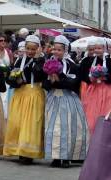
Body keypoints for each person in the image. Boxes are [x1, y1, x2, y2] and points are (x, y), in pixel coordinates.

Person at [43, 35, 89, 168]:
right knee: (53, 129)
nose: (56, 52)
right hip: (53, 99)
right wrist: (50, 82)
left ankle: (67, 157)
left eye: (59, 50)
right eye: (55, 49)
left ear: (65, 51)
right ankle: (56, 157)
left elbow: (74, 84)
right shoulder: (48, 64)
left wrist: (60, 77)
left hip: (68, 100)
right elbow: (45, 85)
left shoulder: (72, 65)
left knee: (68, 128)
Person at [3, 35, 46, 164]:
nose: (30, 51)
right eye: (28, 48)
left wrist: (37, 59)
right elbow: (10, 78)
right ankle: (17, 149)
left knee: (31, 123)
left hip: (34, 93)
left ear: (38, 49)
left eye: (33, 49)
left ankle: (28, 153)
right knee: (17, 122)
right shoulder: (18, 60)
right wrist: (16, 80)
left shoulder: (42, 61)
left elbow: (40, 74)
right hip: (19, 93)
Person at [80, 37, 111, 134]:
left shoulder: (109, 61)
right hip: (93, 90)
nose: (97, 51)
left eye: (99, 48)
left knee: (104, 113)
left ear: (104, 49)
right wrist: (91, 78)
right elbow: (84, 75)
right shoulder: (90, 61)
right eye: (95, 48)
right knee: (91, 116)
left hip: (107, 91)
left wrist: (105, 77)